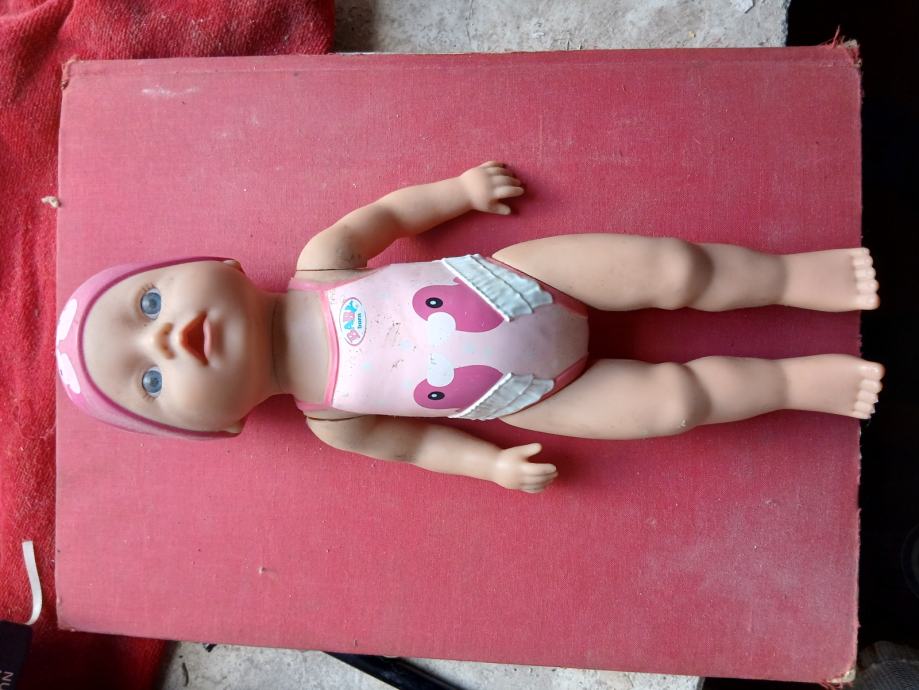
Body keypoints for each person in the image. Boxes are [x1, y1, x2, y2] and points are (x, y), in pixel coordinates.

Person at [55, 162, 883, 493]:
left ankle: (794, 276)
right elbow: (417, 446)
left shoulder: (323, 264)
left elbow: (388, 215)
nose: (166, 339)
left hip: (520, 281)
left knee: (674, 268)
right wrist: (489, 466)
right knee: (673, 403)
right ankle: (797, 383)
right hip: (527, 396)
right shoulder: (335, 421)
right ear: (222, 428)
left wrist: (457, 193)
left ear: (217, 263)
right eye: (150, 380)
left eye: (149, 305)